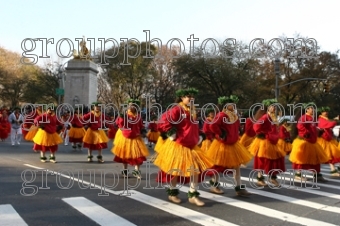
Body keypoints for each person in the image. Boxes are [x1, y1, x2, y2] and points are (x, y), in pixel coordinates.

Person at [154, 88, 213, 207]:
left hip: (192, 144)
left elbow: (194, 126)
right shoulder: (177, 109)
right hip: (178, 144)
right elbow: (163, 121)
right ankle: (172, 193)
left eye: (192, 97)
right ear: (182, 98)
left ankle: (193, 195)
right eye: (188, 96)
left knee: (195, 169)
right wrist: (172, 134)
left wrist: (200, 135)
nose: (191, 99)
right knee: (176, 170)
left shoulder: (192, 110)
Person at [206, 95, 253, 196]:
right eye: (231, 104)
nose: (234, 105)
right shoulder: (222, 115)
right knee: (217, 166)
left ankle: (239, 188)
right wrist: (221, 134)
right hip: (222, 145)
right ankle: (214, 186)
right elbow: (212, 125)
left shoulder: (234, 115)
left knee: (237, 166)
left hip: (233, 144)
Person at [248, 99, 286, 187]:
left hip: (273, 141)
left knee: (274, 160)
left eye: (275, 106)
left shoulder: (272, 116)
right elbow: (256, 126)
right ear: (267, 108)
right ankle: (260, 178)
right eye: (272, 106)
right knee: (263, 161)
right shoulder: (265, 116)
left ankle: (272, 177)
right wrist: (263, 134)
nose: (274, 108)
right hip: (265, 142)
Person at [289, 103, 329, 181]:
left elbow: (314, 128)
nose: (313, 110)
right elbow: (300, 126)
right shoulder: (304, 117)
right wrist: (306, 133)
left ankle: (317, 174)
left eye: (313, 108)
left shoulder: (312, 118)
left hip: (313, 142)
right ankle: (298, 174)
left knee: (316, 159)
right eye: (311, 108)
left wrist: (319, 131)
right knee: (301, 159)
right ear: (307, 109)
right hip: (305, 141)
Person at [112, 99, 149, 179]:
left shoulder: (138, 117)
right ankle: (125, 171)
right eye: (131, 105)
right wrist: (122, 117)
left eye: (134, 105)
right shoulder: (125, 115)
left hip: (136, 137)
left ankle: (136, 172)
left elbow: (141, 126)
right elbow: (119, 124)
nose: (132, 107)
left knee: (138, 156)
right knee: (125, 156)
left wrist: (143, 133)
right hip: (125, 138)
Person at [317, 106, 340, 177]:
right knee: (316, 158)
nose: (326, 112)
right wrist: (336, 120)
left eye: (327, 111)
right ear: (321, 112)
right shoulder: (320, 119)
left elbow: (329, 125)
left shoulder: (325, 119)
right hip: (323, 141)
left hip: (328, 140)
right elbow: (329, 125)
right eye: (324, 111)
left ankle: (333, 171)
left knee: (331, 156)